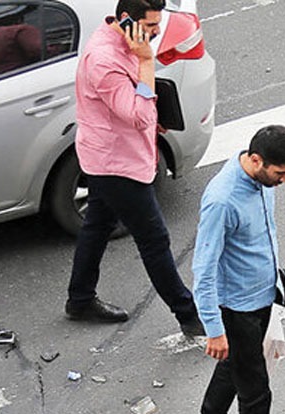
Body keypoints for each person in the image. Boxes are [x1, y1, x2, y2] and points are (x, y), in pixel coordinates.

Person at [65, 0, 203, 336]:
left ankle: (80, 299)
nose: (156, 34)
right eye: (152, 27)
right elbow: (139, 114)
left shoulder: (124, 40)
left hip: (112, 153)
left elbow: (132, 109)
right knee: (154, 240)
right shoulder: (105, 61)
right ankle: (190, 317)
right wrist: (145, 62)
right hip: (117, 165)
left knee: (97, 225)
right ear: (129, 22)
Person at [192, 125, 285, 414]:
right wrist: (213, 329)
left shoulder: (262, 182)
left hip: (262, 297)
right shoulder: (222, 200)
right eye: (280, 173)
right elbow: (203, 269)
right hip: (236, 308)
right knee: (255, 392)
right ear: (256, 160)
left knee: (239, 362)